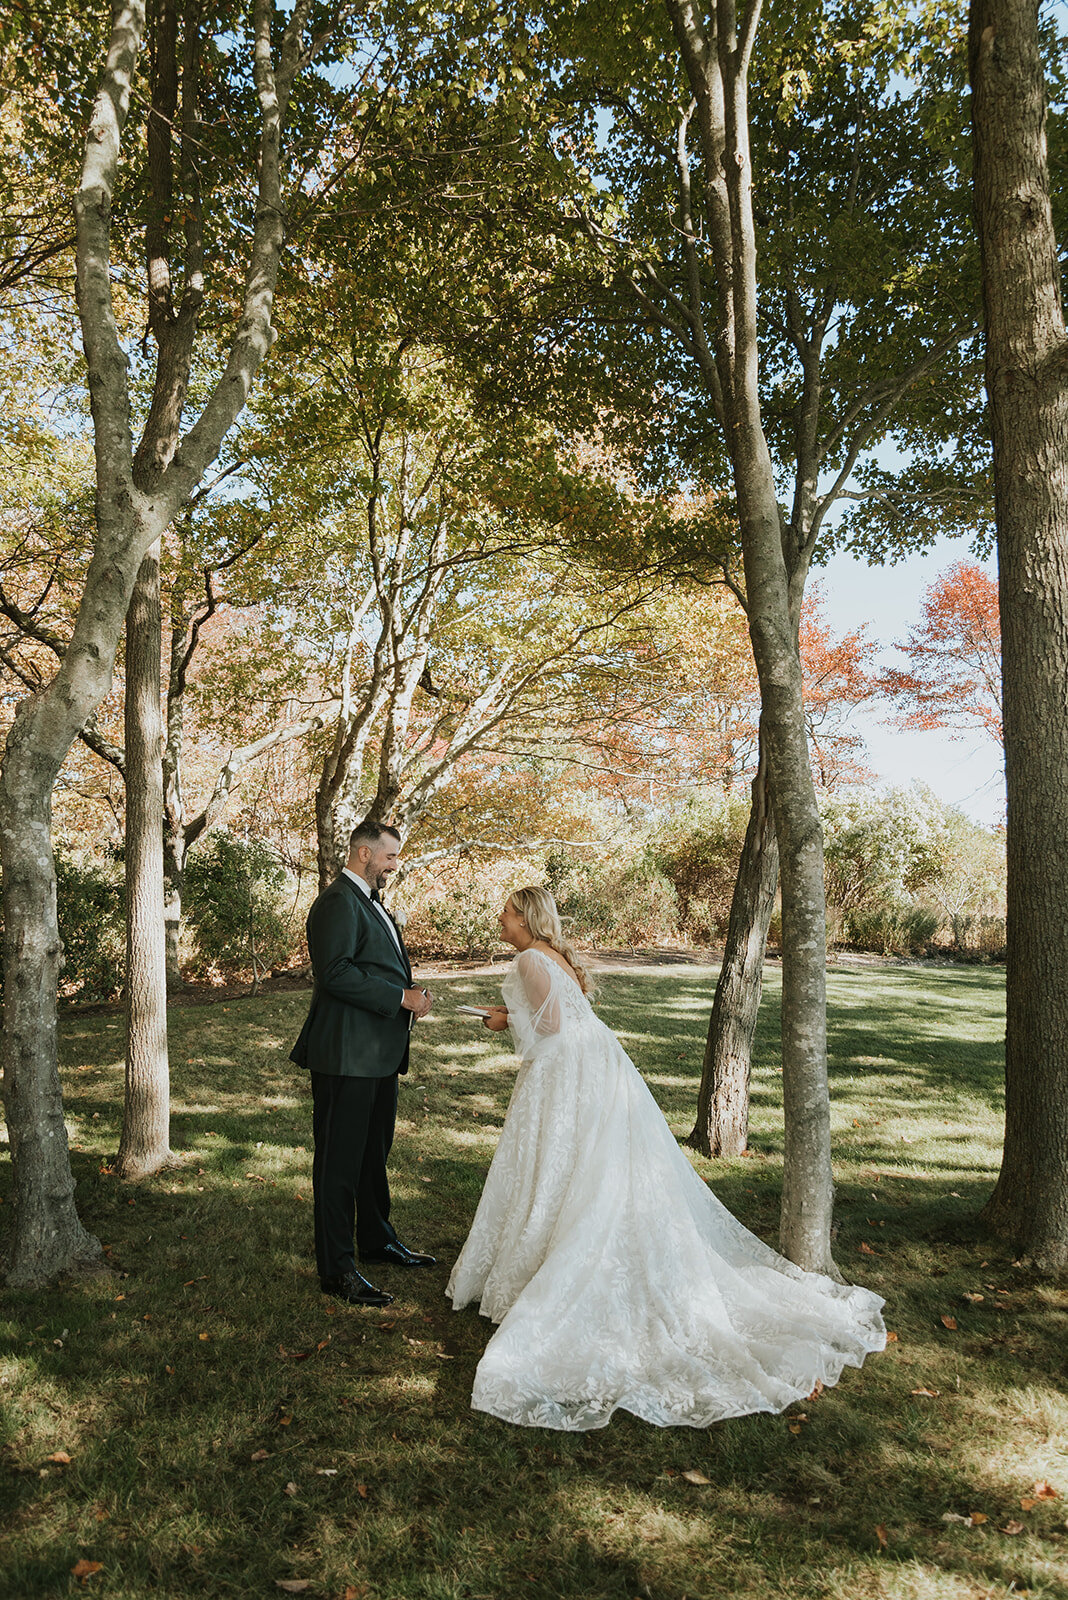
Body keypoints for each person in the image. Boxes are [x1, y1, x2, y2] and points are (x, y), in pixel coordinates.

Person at [447, 885, 887, 1431]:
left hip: (568, 1073)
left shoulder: (529, 958)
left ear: (526, 919)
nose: (501, 919)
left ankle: (549, 1259)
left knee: (559, 1162)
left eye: (507, 913)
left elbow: (552, 1027)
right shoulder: (552, 955)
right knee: (582, 1166)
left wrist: (502, 1021)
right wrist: (513, 1012)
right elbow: (557, 1013)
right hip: (596, 1065)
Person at [291, 821, 435, 1308]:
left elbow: (373, 966)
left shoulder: (369, 902)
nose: (395, 864)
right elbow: (334, 973)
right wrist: (399, 997)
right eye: (390, 856)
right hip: (346, 1056)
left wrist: (409, 994)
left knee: (373, 1155)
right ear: (363, 854)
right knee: (339, 1165)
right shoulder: (337, 901)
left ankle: (377, 1240)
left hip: (378, 1056)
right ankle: (337, 1270)